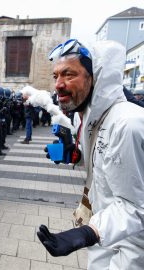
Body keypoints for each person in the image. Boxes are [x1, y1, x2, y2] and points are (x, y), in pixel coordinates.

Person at [37, 39, 144, 269]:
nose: (58, 84)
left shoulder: (127, 123)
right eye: (56, 76)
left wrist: (89, 231)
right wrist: (74, 155)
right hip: (105, 236)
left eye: (68, 74)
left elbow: (137, 205)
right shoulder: (86, 116)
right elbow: (107, 167)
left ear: (95, 77)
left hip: (131, 248)